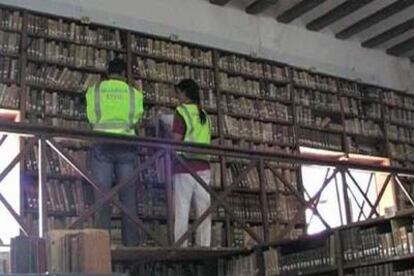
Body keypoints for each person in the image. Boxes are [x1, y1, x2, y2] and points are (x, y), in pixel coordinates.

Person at [85, 57, 144, 246]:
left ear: (107, 72)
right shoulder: (135, 94)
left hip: (102, 145)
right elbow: (136, 120)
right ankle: (131, 248)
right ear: (124, 74)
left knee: (102, 199)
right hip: (126, 146)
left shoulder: (94, 91)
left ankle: (102, 247)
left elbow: (91, 117)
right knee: (128, 201)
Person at [172, 79, 212, 247]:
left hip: (184, 166)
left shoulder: (181, 111)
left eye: (179, 93)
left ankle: (181, 245)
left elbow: (177, 139)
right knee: (204, 211)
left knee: (182, 210)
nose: (177, 97)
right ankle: (205, 245)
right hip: (204, 166)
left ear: (185, 93)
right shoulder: (205, 115)